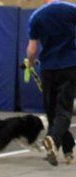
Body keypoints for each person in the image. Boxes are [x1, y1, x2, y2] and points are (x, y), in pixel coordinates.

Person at [27, 0, 76, 166]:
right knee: (63, 110)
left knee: (52, 111)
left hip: (48, 69)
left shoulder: (36, 16)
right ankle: (55, 140)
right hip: (69, 66)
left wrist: (30, 63)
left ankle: (67, 149)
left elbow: (32, 49)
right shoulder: (70, 10)